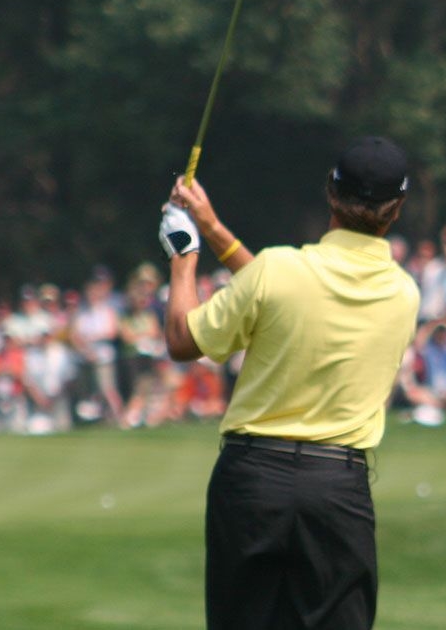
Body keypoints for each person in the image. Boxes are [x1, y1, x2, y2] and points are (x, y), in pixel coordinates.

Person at [160, 136, 420, 630]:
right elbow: (284, 293)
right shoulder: (404, 293)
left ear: (331, 193)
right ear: (397, 209)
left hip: (252, 482)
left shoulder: (277, 269)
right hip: (337, 489)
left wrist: (184, 253)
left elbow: (182, 339)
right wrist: (212, 227)